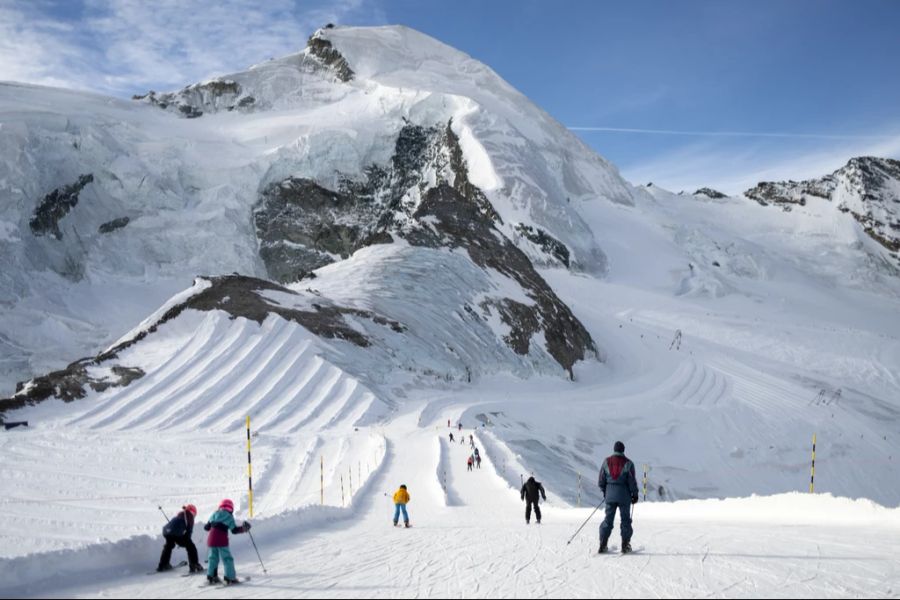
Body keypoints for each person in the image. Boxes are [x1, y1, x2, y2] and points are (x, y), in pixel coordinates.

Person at [598, 441, 639, 554]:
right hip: (624, 496)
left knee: (608, 520)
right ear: (623, 450)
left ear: (614, 449)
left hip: (610, 496)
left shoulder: (606, 462)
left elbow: (601, 479)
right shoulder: (629, 463)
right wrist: (634, 494)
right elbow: (632, 481)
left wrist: (605, 491)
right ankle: (625, 545)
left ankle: (603, 544)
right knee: (625, 520)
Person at [203, 498, 251, 585]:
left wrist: (212, 524)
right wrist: (244, 528)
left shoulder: (215, 513)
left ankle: (211, 577)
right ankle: (230, 578)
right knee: (227, 558)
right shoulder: (229, 516)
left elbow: (206, 527)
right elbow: (234, 530)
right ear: (231, 509)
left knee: (212, 558)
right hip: (221, 540)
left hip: (211, 540)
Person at [157, 504, 203, 573]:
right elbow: (189, 531)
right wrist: (185, 542)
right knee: (191, 547)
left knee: (168, 546)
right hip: (176, 532)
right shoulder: (189, 515)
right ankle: (194, 565)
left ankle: (163, 564)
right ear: (193, 512)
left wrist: (180, 540)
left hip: (166, 531)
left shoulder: (179, 515)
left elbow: (174, 525)